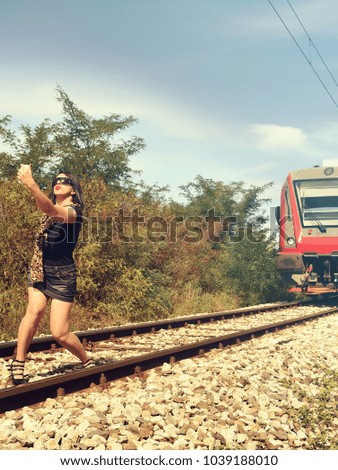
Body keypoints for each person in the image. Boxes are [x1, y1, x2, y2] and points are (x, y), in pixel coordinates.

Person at [10, 165, 93, 385]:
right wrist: (34, 189)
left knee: (60, 332)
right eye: (56, 180)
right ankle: (18, 362)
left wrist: (31, 184)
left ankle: (85, 360)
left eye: (65, 181)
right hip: (40, 269)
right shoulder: (50, 207)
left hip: (63, 275)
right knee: (33, 313)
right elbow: (46, 206)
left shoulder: (74, 212)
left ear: (73, 190)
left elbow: (52, 211)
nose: (58, 183)